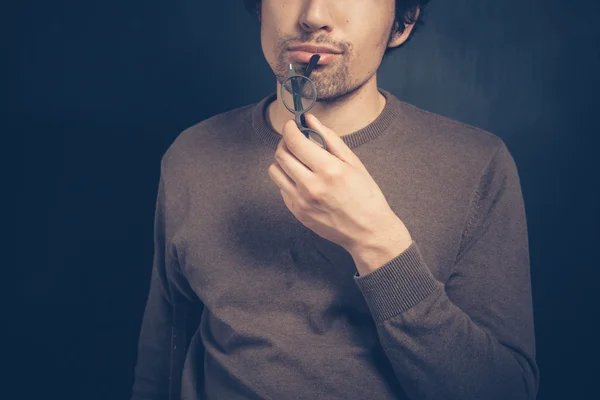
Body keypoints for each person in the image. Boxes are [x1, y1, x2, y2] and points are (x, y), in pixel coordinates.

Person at [131, 1, 540, 399]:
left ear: (404, 20)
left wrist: (375, 241)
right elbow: (163, 353)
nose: (313, 16)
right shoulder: (191, 155)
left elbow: (504, 389)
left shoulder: (476, 165)